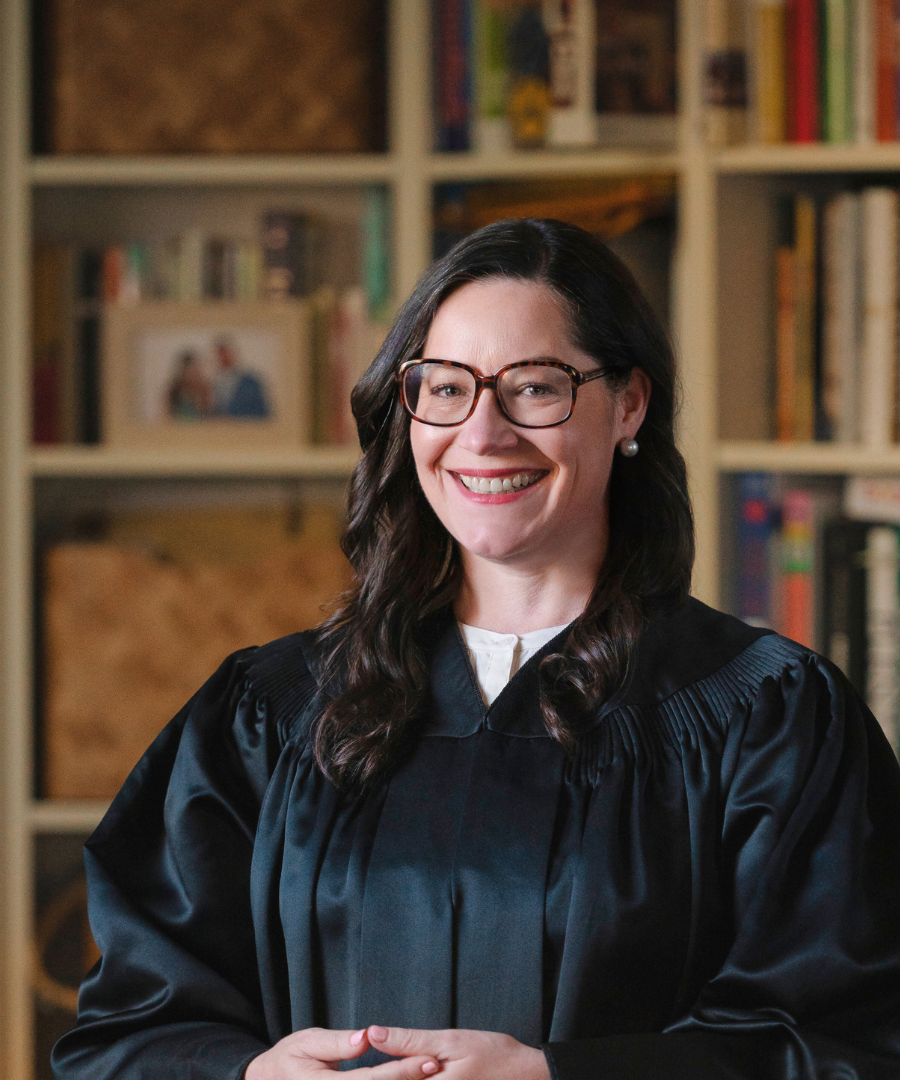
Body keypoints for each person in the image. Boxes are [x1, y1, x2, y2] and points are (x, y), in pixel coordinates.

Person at [53, 219, 900, 1080]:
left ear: (631, 404)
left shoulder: (766, 720)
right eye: (445, 388)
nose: (483, 434)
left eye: (535, 387)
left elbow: (844, 1047)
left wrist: (558, 1077)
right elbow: (129, 1034)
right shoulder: (271, 715)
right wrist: (251, 1076)